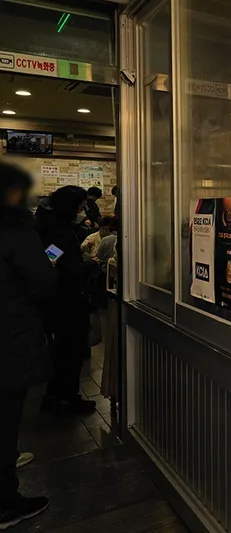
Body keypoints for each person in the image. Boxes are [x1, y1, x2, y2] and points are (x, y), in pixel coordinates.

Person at [0, 162, 55, 528]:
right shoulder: (15, 232)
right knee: (5, 421)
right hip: (9, 341)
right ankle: (6, 504)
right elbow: (43, 283)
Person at [35, 185, 97, 415]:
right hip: (67, 301)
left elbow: (51, 259)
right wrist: (88, 266)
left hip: (57, 301)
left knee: (61, 351)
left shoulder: (50, 226)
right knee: (71, 351)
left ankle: (56, 397)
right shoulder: (59, 232)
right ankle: (67, 399)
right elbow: (64, 266)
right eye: (81, 205)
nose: (83, 209)